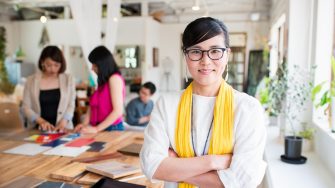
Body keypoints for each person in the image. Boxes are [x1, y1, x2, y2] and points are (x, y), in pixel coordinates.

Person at [140, 17, 267, 188]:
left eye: (215, 51)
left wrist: (177, 166)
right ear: (186, 55)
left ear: (227, 55)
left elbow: (242, 180)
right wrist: (212, 162)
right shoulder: (167, 104)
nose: (205, 61)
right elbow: (151, 166)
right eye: (196, 51)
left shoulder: (248, 108)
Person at [22, 45, 75, 132]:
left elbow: (71, 104)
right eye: (49, 65)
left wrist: (63, 122)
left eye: (56, 65)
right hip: (38, 129)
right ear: (42, 62)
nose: (53, 69)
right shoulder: (31, 80)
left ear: (61, 64)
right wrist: (41, 121)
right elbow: (26, 107)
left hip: (63, 128)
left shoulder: (68, 79)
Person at [74, 46, 125, 133]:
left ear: (102, 64)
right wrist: (84, 124)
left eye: (94, 65)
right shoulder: (103, 82)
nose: (92, 68)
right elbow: (92, 107)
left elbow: (118, 111)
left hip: (112, 128)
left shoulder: (114, 79)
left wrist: (96, 129)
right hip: (101, 127)